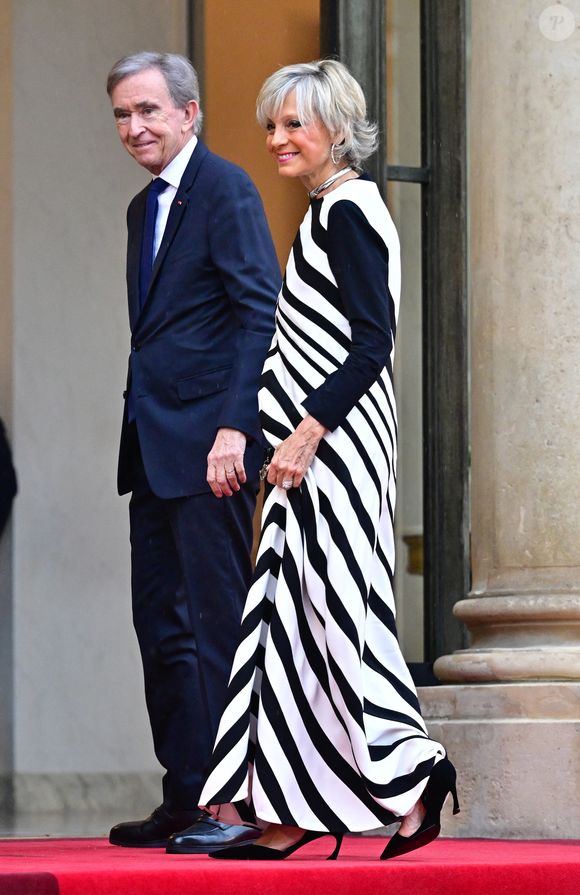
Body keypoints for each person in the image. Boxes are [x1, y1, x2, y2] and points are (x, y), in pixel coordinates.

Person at [167, 59, 459, 861]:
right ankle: (290, 810)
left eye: (296, 124)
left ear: (338, 128)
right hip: (311, 462)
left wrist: (303, 434)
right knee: (295, 626)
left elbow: (373, 342)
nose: (277, 139)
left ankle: (418, 771)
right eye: (271, 125)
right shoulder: (329, 210)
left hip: (331, 458)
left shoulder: (350, 210)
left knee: (338, 622)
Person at [105, 52, 280, 848]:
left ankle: (233, 806)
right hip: (151, 447)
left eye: (147, 110)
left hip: (213, 448)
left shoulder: (228, 189)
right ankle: (185, 792)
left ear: (189, 112)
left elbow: (256, 313)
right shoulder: (145, 209)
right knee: (161, 627)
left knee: (215, 626)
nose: (134, 127)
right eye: (121, 114)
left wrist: (235, 429)